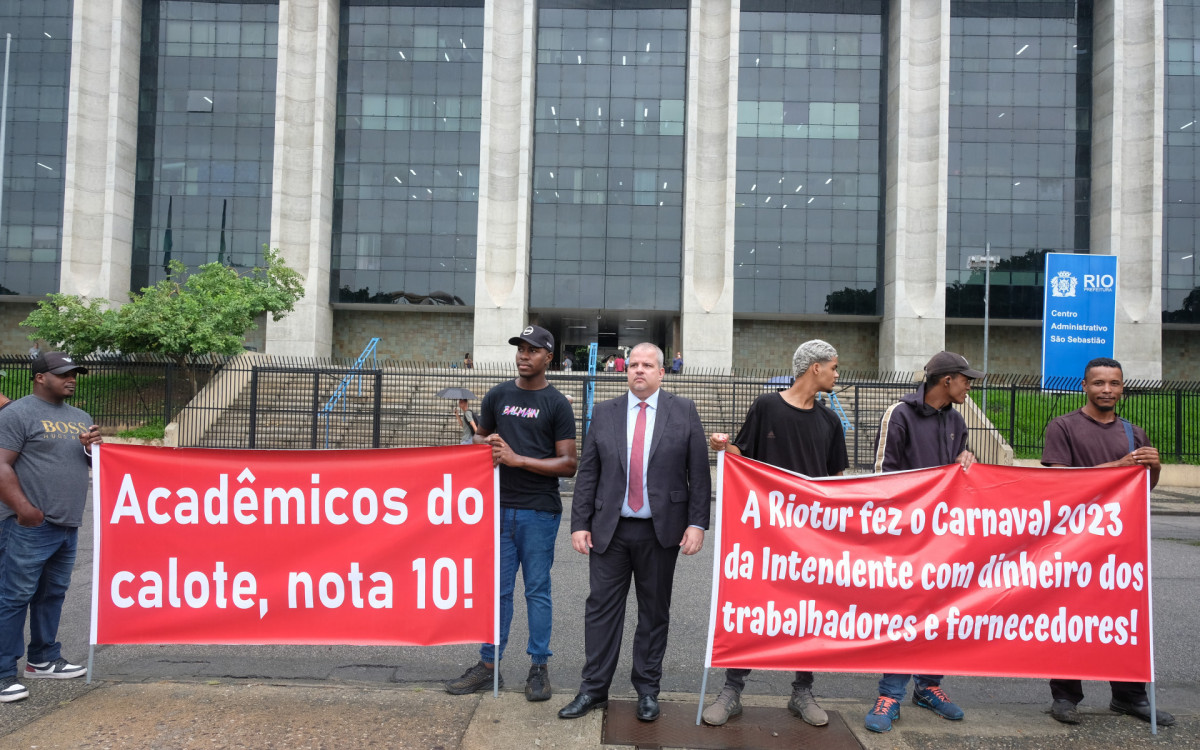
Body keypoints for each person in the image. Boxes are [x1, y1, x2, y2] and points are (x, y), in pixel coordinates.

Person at [558, 343, 710, 723]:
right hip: (610, 530)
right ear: (626, 372)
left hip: (662, 532)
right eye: (633, 365)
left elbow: (699, 474)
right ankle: (593, 689)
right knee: (601, 611)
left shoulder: (684, 410)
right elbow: (588, 472)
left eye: (647, 365)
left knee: (654, 613)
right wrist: (579, 523)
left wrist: (696, 523)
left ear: (662, 372)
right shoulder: (605, 412)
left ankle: (647, 690)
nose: (639, 371)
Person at [702, 339, 847, 729]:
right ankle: (732, 690)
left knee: (810, 614)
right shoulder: (766, 407)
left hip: (813, 539)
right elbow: (742, 460)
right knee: (752, 608)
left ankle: (803, 691)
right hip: (764, 536)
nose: (837, 374)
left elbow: (837, 485)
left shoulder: (830, 422)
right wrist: (723, 445)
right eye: (833, 366)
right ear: (814, 367)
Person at [445, 325, 577, 701]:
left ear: (548, 357)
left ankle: (538, 666)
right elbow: (478, 438)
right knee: (497, 592)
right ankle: (489, 666)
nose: (524, 355)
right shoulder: (498, 395)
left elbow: (569, 463)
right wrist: (484, 441)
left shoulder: (556, 403)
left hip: (539, 511)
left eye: (533, 350)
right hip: (498, 510)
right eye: (520, 348)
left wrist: (518, 459)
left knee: (537, 591)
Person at [1041, 357, 1175, 727]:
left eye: (1114, 384)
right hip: (1075, 542)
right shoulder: (1063, 426)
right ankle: (1065, 697)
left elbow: (1142, 488)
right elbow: (1058, 482)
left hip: (1121, 545)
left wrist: (1156, 468)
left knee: (1124, 619)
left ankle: (1129, 697)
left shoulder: (1133, 432)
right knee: (1071, 620)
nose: (1107, 390)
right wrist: (1118, 466)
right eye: (1098, 383)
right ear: (1084, 386)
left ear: (1122, 388)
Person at [864, 350, 981, 733]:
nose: (970, 385)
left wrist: (966, 460)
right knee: (904, 612)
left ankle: (929, 686)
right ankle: (890, 694)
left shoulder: (957, 420)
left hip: (945, 536)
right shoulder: (899, 414)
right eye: (966, 379)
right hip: (906, 537)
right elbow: (884, 478)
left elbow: (957, 474)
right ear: (946, 380)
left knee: (941, 612)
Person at [0, 352, 101, 703]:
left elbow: (84, 464)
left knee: (52, 594)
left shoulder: (80, 417)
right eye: (63, 374)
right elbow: (1, 465)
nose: (71, 379)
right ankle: (1, 672)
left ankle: (42, 658)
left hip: (67, 523)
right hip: (27, 524)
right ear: (40, 377)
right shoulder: (17, 413)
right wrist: (24, 510)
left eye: (74, 373)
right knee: (13, 597)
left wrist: (91, 451)